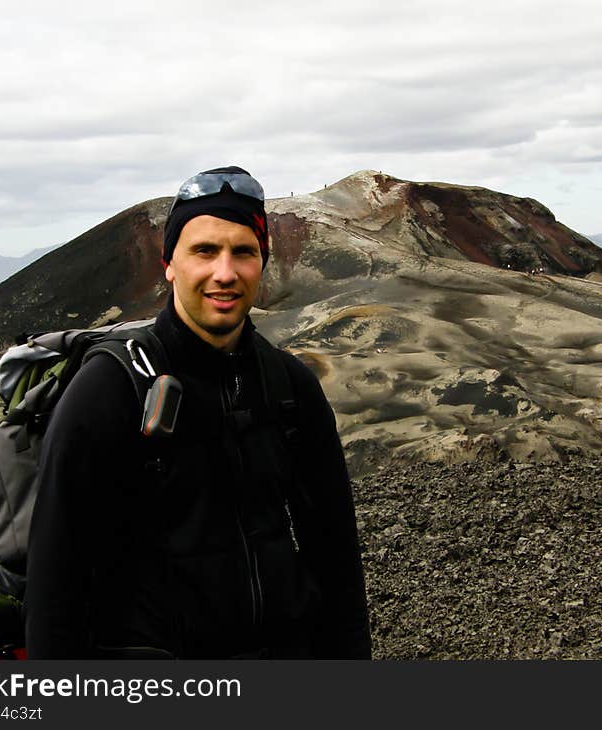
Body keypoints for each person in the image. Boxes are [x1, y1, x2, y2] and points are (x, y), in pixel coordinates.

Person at [24, 166, 372, 659]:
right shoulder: (110, 387)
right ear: (169, 264)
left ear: (263, 262)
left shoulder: (290, 388)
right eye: (204, 251)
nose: (225, 273)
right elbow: (55, 583)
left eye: (244, 252)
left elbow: (335, 558)